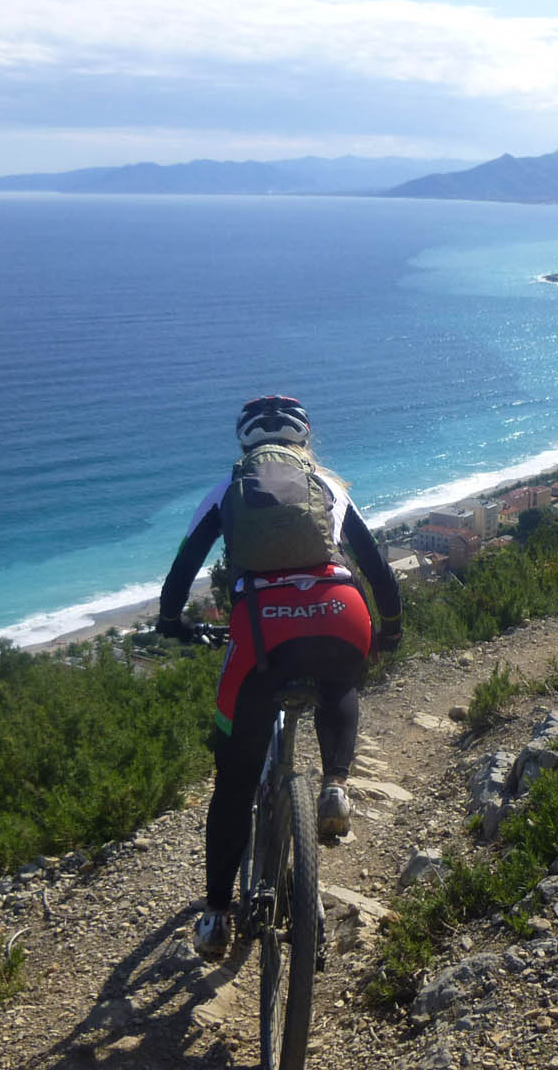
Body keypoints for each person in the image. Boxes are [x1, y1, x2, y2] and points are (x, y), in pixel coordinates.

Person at [156, 395, 402, 962]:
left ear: (245, 444)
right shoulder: (329, 486)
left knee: (234, 783)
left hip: (262, 635)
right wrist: (388, 631)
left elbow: (182, 569)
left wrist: (172, 623)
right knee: (339, 684)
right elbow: (378, 570)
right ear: (304, 442)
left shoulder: (226, 490)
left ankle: (216, 918)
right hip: (340, 613)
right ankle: (335, 785)